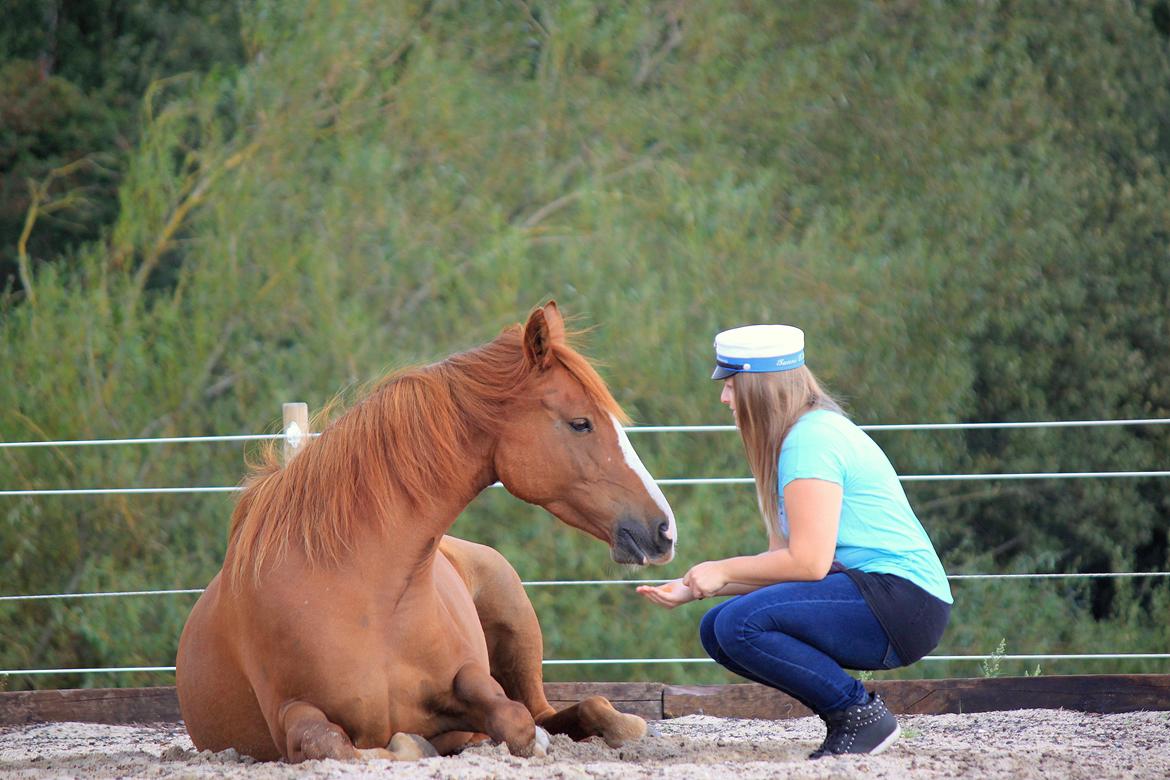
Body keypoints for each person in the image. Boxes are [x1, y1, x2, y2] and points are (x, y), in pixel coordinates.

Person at [637, 324, 952, 759]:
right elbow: (782, 564)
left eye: (731, 384)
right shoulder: (801, 437)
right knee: (717, 627)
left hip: (901, 600)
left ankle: (859, 716)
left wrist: (724, 569)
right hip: (876, 594)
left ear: (760, 387)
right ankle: (850, 719)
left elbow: (807, 564)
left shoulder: (811, 440)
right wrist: (697, 586)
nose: (724, 398)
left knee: (737, 625)